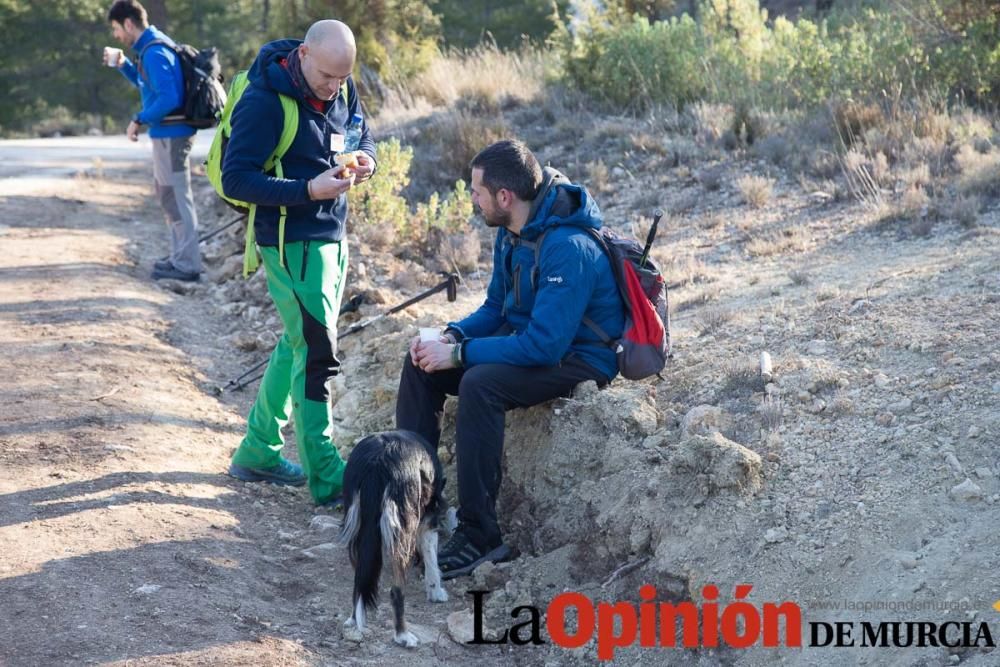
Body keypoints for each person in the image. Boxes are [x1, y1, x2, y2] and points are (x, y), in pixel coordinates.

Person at [396, 140, 624, 579]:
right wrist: (452, 335)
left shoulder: (568, 247)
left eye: (477, 191)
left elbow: (545, 346)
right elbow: (496, 308)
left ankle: (482, 536)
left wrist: (460, 354)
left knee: (479, 384)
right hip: (532, 340)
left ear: (505, 197)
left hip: (581, 357)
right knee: (421, 365)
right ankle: (416, 503)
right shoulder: (512, 232)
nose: (472, 200)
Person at [222, 20, 376, 509]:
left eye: (342, 79)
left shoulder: (341, 83)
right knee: (316, 352)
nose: (335, 88)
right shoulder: (265, 101)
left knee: (300, 340)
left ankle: (259, 450)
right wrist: (308, 190)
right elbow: (237, 180)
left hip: (332, 235)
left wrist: (367, 160)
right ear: (305, 54)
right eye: (328, 77)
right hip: (292, 244)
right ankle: (328, 476)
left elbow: (361, 134)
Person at [105, 0, 202, 282]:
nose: (116, 36)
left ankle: (187, 266)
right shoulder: (153, 46)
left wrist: (139, 118)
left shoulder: (155, 51)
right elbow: (150, 86)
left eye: (116, 29)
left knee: (175, 196)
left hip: (172, 136)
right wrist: (124, 65)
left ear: (128, 23)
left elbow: (169, 98)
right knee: (169, 194)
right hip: (167, 136)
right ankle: (180, 258)